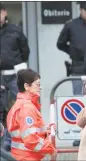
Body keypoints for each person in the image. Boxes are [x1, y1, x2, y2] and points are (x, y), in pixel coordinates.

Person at [6, 69, 56, 161]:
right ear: (26, 86)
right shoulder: (27, 108)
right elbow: (30, 139)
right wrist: (50, 149)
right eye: (37, 84)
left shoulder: (20, 105)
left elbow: (25, 133)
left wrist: (45, 131)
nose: (39, 87)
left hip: (22, 156)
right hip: (28, 157)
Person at [0, 4, 30, 151]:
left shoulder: (15, 30)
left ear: (4, 12)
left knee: (20, 108)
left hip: (14, 75)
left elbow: (25, 51)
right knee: (3, 110)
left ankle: (16, 141)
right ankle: (4, 142)